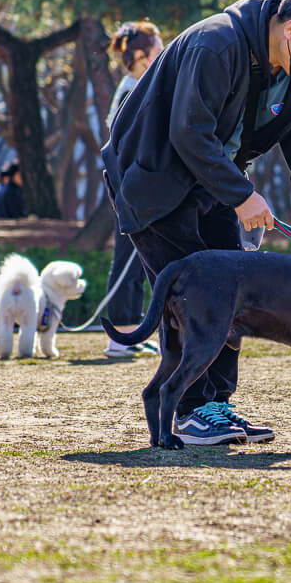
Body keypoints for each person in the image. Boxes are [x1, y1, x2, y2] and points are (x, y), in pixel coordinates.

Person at [102, 0, 291, 446]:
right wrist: (243, 196)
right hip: (153, 179)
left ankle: (215, 406)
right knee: (198, 295)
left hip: (215, 186)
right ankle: (187, 412)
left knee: (233, 289)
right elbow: (190, 133)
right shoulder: (217, 43)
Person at [102, 21, 165, 359]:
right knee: (127, 262)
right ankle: (120, 336)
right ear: (141, 56)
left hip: (134, 191)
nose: (163, 54)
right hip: (129, 191)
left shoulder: (136, 87)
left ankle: (132, 332)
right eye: (158, 49)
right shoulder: (132, 92)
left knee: (140, 262)